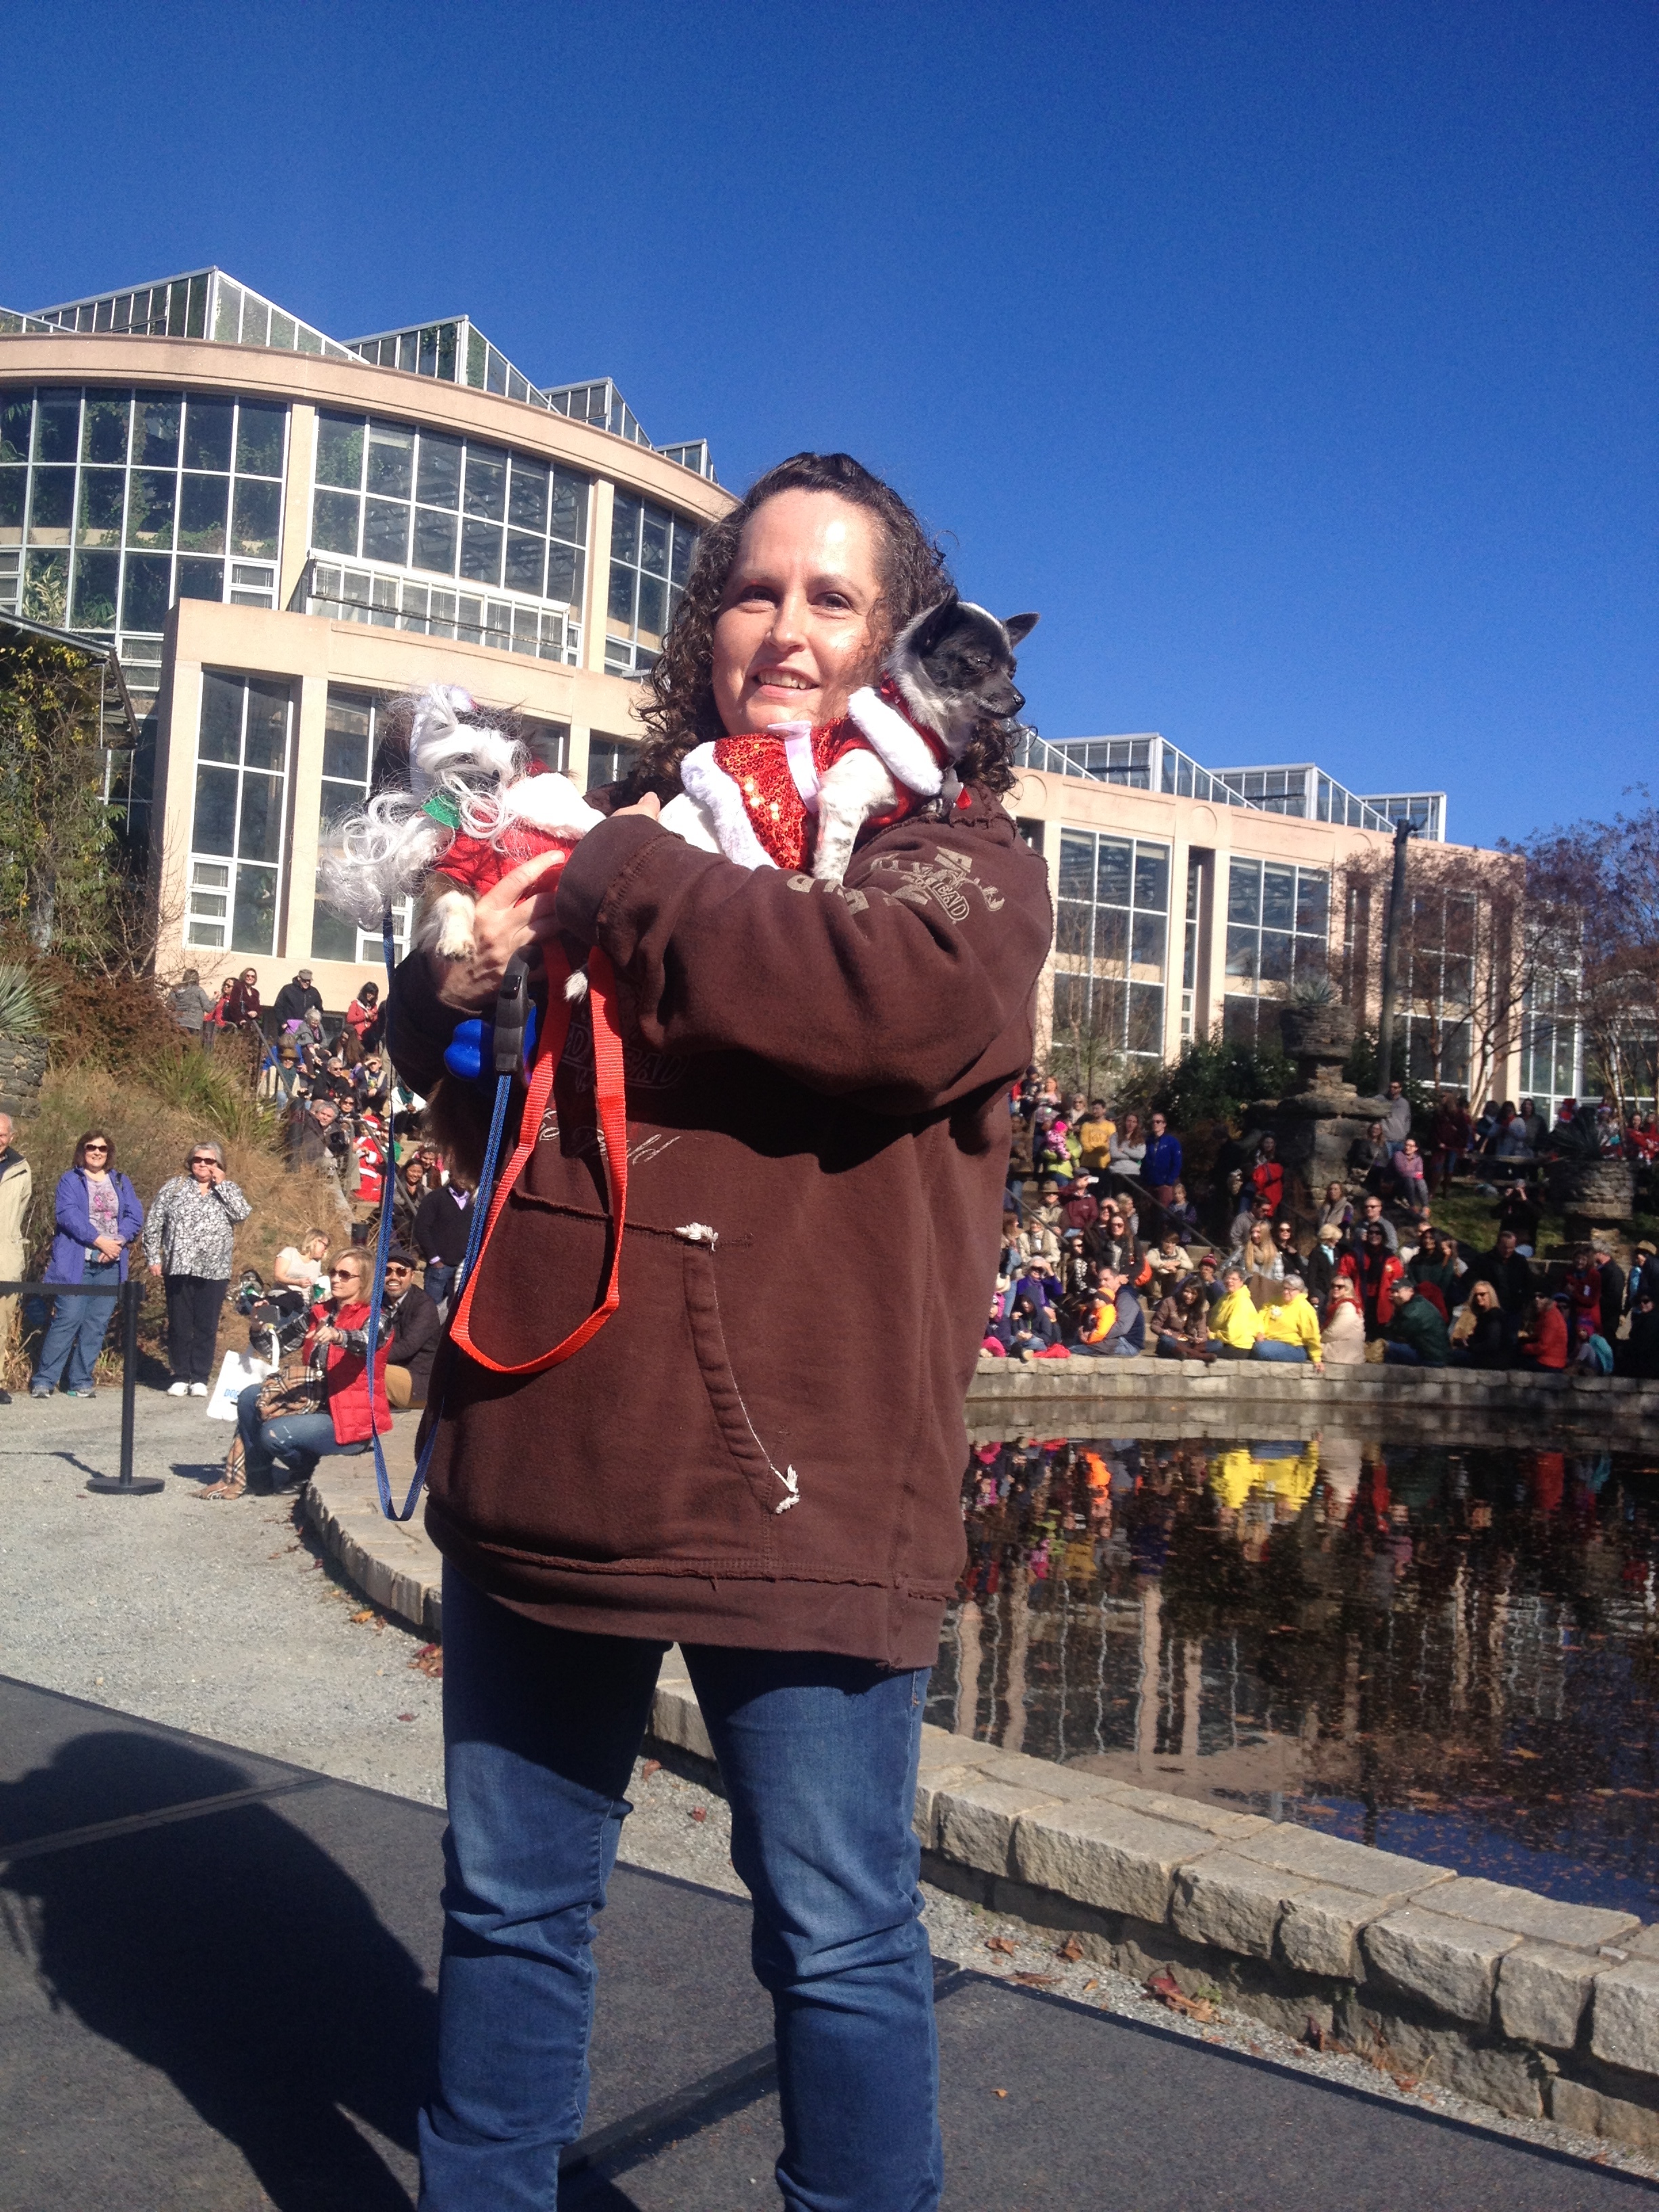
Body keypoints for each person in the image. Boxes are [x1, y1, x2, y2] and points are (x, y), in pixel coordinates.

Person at [386, 449, 1051, 2208]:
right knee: (508, 1908)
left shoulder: (957, 859)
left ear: (898, 636)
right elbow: (477, 1097)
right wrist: (448, 985)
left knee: (837, 1933)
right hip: (551, 1452)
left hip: (803, 1492)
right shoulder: (639, 833)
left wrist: (606, 869)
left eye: (834, 596)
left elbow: (876, 1005)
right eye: (756, 590)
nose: (786, 629)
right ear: (710, 622)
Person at [233, 1246, 392, 1487]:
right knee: (249, 1397)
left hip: (347, 1420)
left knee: (274, 1434)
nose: (335, 1279)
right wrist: (257, 1326)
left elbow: (368, 1342)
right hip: (311, 1403)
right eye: (333, 1272)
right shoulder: (320, 1312)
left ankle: (305, 1471)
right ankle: (258, 1478)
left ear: (365, 1280)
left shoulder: (378, 1317)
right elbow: (275, 1347)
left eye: (345, 1275)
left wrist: (338, 1335)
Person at [30, 1132, 144, 1399]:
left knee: (96, 1324)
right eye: (91, 1147)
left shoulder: (120, 1180)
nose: (97, 1152)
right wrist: (99, 1240)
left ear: (109, 1153)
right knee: (67, 1320)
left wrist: (117, 1241)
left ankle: (80, 1380)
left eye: (102, 1149)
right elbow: (67, 1215)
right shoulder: (71, 1180)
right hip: (76, 1263)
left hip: (110, 1265)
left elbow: (134, 1215)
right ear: (82, 1150)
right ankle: (44, 1380)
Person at [142, 1139, 252, 1395]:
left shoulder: (229, 1189)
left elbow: (241, 1214)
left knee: (206, 1325)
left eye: (209, 1160)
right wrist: (153, 1257)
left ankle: (200, 1377)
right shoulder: (175, 1187)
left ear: (219, 1164)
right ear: (190, 1162)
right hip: (179, 1266)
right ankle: (180, 1375)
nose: (202, 1164)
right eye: (197, 1160)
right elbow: (155, 1222)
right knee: (179, 1323)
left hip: (214, 1269)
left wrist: (221, 1185)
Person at [381, 1247, 442, 1408]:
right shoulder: (377, 1301)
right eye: (387, 1271)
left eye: (401, 1272)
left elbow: (407, 1347)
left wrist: (366, 1357)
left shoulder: (424, 1305)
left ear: (412, 1276)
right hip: (394, 1371)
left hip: (420, 1383)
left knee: (370, 1369)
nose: (394, 1277)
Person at [0, 1113, 30, 1404]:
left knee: (1, 1322)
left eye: (2, 1134)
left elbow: (19, 1211)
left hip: (4, 1257)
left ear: (11, 1137)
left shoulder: (21, 1168)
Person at [1071, 1263, 1145, 1357]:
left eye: (1106, 1279)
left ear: (1117, 1279)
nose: (1102, 1283)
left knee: (1077, 1350)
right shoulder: (1103, 1297)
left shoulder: (1125, 1297)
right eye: (1100, 1280)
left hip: (1127, 1343)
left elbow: (1122, 1327)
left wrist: (1093, 1336)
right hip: (1108, 1338)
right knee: (1077, 1340)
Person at [1458, 1227, 1535, 1315]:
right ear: (1498, 1245)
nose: (1507, 1251)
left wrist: (1525, 1300)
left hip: (1514, 1308)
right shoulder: (1484, 1260)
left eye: (1511, 1248)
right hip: (1491, 1307)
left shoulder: (1520, 1261)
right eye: (1505, 1248)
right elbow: (1468, 1279)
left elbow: (1528, 1282)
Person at [1449, 1276, 1517, 1369]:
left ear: (1490, 1295)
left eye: (1482, 1294)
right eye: (1476, 1295)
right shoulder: (1486, 1316)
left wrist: (1471, 1347)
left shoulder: (1494, 1316)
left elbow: (1492, 1343)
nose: (1478, 1298)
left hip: (1492, 1360)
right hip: (1488, 1358)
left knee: (1451, 1356)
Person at [1256, 1275, 1323, 1366]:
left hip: (1293, 1347)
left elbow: (1312, 1335)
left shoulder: (1304, 1308)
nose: (1286, 1292)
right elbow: (1261, 1316)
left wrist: (1316, 1358)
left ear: (1299, 1291)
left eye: (1290, 1290)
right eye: (1284, 1288)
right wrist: (1260, 1332)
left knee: (1261, 1349)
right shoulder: (1275, 1301)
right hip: (1268, 1340)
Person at [1383, 1277, 1450, 1365]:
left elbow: (1398, 1333)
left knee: (1386, 1347)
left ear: (1411, 1291)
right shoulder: (1415, 1304)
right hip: (1432, 1354)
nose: (1394, 1295)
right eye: (1392, 1292)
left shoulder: (1413, 1311)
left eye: (1398, 1291)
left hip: (1432, 1359)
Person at [1356, 1224, 1405, 1338]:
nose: (1374, 1235)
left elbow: (1397, 1280)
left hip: (1382, 1299)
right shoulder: (1357, 1255)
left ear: (1383, 1236)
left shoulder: (1391, 1258)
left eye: (1378, 1233)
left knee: (1380, 1333)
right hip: (1361, 1297)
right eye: (1371, 1233)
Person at [1209, 1266, 1265, 1358]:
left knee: (1201, 1353)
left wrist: (1212, 1335)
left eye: (1234, 1279)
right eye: (1227, 1278)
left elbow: (1233, 1334)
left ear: (1241, 1282)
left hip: (1238, 1346)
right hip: (1224, 1341)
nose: (1229, 1281)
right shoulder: (1225, 1297)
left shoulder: (1241, 1301)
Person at [1151, 1276, 1212, 1361]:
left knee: (1217, 1344)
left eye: (1193, 1293)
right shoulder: (1169, 1302)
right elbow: (1155, 1325)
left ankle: (1186, 1353)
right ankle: (1198, 1355)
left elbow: (1203, 1334)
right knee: (1165, 1340)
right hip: (1172, 1341)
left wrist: (1200, 1339)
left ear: (1198, 1296)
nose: (1189, 1296)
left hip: (1189, 1343)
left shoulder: (1200, 1311)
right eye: (1186, 1291)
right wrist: (1163, 1331)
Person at [273, 1228, 331, 1308]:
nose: (325, 1250)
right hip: (281, 1297)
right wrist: (296, 1282)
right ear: (315, 1241)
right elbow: (278, 1276)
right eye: (325, 1246)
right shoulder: (290, 1253)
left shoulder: (317, 1263)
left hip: (304, 1303)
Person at [1518, 1292, 1569, 1372]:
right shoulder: (1546, 1314)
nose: (1537, 1299)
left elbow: (1543, 1346)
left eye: (1541, 1297)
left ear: (1548, 1299)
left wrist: (1525, 1348)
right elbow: (1539, 1335)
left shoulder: (1551, 1317)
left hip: (1550, 1364)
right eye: (1535, 1296)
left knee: (1517, 1358)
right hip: (1550, 1361)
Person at [1321, 1277, 1367, 1364]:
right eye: (1333, 1286)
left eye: (1340, 1287)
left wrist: (1317, 1338)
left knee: (1307, 1348)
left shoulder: (1348, 1306)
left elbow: (1334, 1332)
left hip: (1343, 1354)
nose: (1335, 1289)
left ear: (1347, 1289)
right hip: (1340, 1351)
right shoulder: (1338, 1305)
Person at [1142, 1111, 1182, 1207]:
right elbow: (1144, 1161)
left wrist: (1169, 1181)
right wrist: (1144, 1177)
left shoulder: (1172, 1142)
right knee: (1150, 1211)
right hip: (1150, 1184)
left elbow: (1177, 1163)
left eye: (1158, 1122)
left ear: (1164, 1124)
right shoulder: (1148, 1141)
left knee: (1165, 1211)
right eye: (1153, 1122)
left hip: (1165, 1184)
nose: (1155, 1124)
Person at [169, 967, 214, 1045]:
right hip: (194, 1024)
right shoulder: (198, 990)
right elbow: (208, 1008)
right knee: (191, 1047)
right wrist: (214, 1000)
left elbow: (169, 1005)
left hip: (177, 1022)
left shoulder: (175, 990)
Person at [272, 967, 323, 1033]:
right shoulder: (287, 989)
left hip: (306, 1030)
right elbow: (278, 1007)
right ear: (299, 978)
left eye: (309, 980)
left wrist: (314, 1022)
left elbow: (319, 1010)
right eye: (305, 980)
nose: (307, 982)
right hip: (288, 1029)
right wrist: (283, 1023)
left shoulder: (314, 992)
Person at [1347, 1119, 1391, 1195]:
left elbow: (1386, 1157)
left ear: (1380, 1131)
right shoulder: (1364, 1143)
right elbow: (1361, 1158)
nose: (1375, 1130)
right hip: (1370, 1169)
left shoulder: (1383, 1145)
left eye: (1378, 1129)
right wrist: (1375, 1163)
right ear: (1370, 1129)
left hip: (1382, 1168)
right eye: (1374, 1128)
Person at [1248, 1133, 1284, 1216]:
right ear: (1262, 1143)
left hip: (1268, 1186)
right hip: (1253, 1182)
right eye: (1267, 1143)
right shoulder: (1255, 1153)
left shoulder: (1277, 1157)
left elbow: (1276, 1172)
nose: (1269, 1145)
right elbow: (1248, 1165)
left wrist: (1261, 1172)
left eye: (1272, 1143)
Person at [1076, 1100, 1114, 1176]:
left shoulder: (1110, 1126)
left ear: (1104, 1110)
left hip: (1104, 1166)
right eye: (1093, 1109)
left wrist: (1093, 1145)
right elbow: (1086, 1147)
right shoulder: (1086, 1125)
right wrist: (1101, 1146)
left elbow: (1108, 1147)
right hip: (1087, 1165)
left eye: (1097, 1109)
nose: (1094, 1111)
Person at [346, 979, 385, 1052]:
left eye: (373, 994)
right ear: (365, 992)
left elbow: (376, 1022)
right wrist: (365, 1016)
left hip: (370, 1038)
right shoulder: (356, 1004)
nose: (370, 996)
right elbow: (349, 1019)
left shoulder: (374, 1006)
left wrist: (372, 1017)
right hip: (358, 1038)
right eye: (369, 993)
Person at [224, 966, 263, 1035]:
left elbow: (258, 1007)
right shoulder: (238, 987)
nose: (250, 978)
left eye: (253, 976)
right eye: (248, 976)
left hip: (252, 1022)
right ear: (244, 976)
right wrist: (240, 1019)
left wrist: (256, 1013)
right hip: (240, 1022)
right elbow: (234, 1005)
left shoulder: (255, 992)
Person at [1380, 1078, 1411, 1149]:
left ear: (1400, 1089)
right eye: (1390, 1087)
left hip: (1401, 1139)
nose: (1392, 1089)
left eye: (1395, 1087)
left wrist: (1405, 1132)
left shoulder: (1404, 1103)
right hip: (1386, 1139)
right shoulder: (1381, 1099)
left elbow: (1408, 1119)